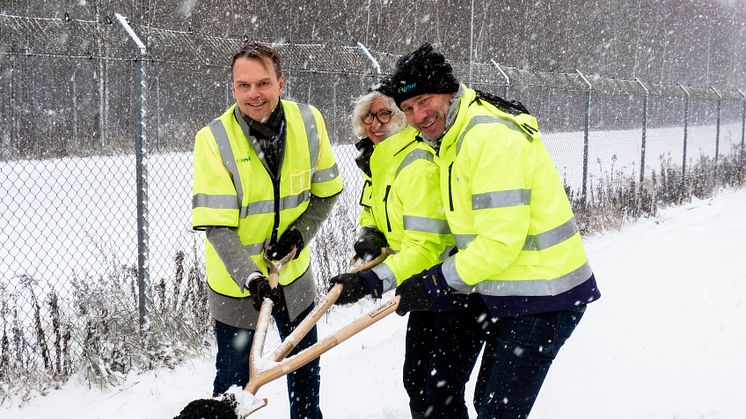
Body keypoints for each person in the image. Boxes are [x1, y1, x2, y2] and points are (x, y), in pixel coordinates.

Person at [384, 43, 601, 419]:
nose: (418, 116)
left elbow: (500, 242)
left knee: (498, 410)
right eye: (407, 109)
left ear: (448, 91)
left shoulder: (487, 138)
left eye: (424, 100)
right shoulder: (450, 140)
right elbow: (465, 235)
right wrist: (390, 277)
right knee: (491, 404)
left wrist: (434, 282)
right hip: (510, 292)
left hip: (547, 293)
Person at [191, 42, 343, 419]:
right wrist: (251, 277)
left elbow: (326, 194)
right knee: (234, 384)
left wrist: (298, 236)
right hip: (238, 286)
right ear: (232, 88)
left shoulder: (309, 122)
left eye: (263, 83)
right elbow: (217, 227)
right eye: (243, 85)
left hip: (293, 276)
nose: (253, 94)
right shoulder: (213, 140)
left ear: (281, 82)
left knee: (304, 370)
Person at [328, 87, 487, 419]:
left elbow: (427, 247)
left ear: (402, 117)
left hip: (457, 287)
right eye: (368, 116)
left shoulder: (417, 162)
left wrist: (372, 280)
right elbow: (372, 209)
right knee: (416, 381)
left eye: (385, 114)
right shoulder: (381, 160)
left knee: (441, 391)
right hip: (424, 288)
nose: (375, 123)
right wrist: (369, 235)